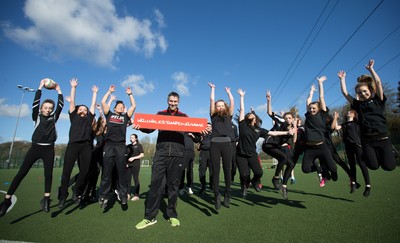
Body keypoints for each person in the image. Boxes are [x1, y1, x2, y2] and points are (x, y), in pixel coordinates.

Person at [134, 91, 203, 229]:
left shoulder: (184, 117)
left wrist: (202, 130)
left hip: (177, 155)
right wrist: (140, 127)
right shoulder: (160, 114)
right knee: (155, 185)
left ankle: (172, 215)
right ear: (167, 101)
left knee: (173, 187)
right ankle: (150, 217)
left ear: (178, 102)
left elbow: (196, 132)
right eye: (171, 101)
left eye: (175, 101)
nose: (173, 103)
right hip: (161, 153)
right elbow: (149, 127)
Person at [0, 79, 63, 217]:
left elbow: (60, 105)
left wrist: (59, 91)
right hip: (35, 148)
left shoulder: (54, 117)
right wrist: (40, 87)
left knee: (48, 174)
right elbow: (35, 102)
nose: (48, 109)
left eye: (50, 108)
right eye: (45, 107)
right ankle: (6, 201)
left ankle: (46, 199)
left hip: (49, 149)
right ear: (41, 108)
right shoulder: (37, 116)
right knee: (21, 173)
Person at [339, 59, 396, 196]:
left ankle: (392, 152)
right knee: (373, 166)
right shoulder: (358, 105)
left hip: (383, 138)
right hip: (367, 141)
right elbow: (345, 93)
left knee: (389, 167)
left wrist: (371, 70)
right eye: (360, 92)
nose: (363, 94)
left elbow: (378, 83)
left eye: (365, 91)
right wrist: (342, 79)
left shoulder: (378, 100)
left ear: (370, 90)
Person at [236, 89, 295, 199]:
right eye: (248, 115)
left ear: (255, 119)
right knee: (244, 174)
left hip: (252, 154)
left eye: (252, 115)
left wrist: (287, 132)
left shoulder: (259, 129)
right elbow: (242, 110)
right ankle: (244, 187)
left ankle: (254, 181)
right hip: (240, 154)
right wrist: (241, 97)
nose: (249, 115)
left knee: (259, 173)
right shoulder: (242, 125)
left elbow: (273, 132)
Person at [58, 79, 97, 208]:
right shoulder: (73, 116)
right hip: (73, 145)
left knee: (85, 171)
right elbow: (73, 101)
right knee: (66, 172)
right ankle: (63, 195)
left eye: (84, 109)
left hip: (85, 146)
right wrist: (73, 87)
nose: (82, 110)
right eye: (80, 109)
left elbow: (92, 105)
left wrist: (95, 93)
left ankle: (76, 189)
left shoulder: (89, 118)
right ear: (76, 110)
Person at [98, 85, 136, 208]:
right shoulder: (109, 115)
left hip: (120, 147)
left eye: (123, 107)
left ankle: (123, 195)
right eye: (119, 106)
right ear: (114, 108)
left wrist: (130, 95)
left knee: (121, 172)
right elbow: (103, 102)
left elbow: (133, 106)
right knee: (107, 173)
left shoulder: (125, 117)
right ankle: (103, 195)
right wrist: (109, 91)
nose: (121, 107)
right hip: (109, 146)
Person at [302, 77, 338, 183]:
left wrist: (320, 83)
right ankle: (320, 170)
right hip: (310, 148)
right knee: (305, 169)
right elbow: (307, 101)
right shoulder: (308, 116)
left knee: (333, 168)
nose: (312, 109)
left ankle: (333, 172)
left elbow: (321, 97)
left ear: (318, 109)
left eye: (314, 108)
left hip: (322, 147)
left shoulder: (322, 115)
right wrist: (311, 91)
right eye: (310, 108)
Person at [262, 91, 296, 195]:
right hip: (268, 144)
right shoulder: (281, 122)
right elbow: (270, 113)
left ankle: (284, 186)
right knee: (284, 158)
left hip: (276, 147)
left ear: (293, 119)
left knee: (291, 164)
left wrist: (295, 129)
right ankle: (275, 178)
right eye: (286, 118)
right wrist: (269, 101)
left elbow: (294, 141)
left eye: (289, 118)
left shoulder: (294, 129)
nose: (287, 119)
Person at [208, 82, 234, 210]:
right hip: (215, 144)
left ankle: (227, 194)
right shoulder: (213, 116)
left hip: (227, 144)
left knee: (227, 170)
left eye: (222, 106)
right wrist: (213, 89)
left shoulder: (229, 116)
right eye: (218, 106)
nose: (220, 107)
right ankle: (217, 195)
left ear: (225, 107)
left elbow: (232, 101)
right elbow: (212, 100)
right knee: (215, 170)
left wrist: (229, 93)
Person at [333, 110, 370, 195]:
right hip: (348, 146)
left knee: (361, 164)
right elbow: (336, 127)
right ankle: (353, 183)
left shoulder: (356, 122)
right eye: (348, 112)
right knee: (352, 165)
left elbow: (360, 112)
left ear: (354, 114)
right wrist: (335, 117)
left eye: (351, 112)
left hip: (357, 145)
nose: (348, 112)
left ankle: (368, 185)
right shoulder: (344, 124)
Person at [126, 133, 144, 201]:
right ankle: (128, 194)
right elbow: (126, 156)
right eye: (130, 137)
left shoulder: (139, 145)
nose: (131, 138)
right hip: (128, 165)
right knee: (128, 180)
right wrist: (126, 163)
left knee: (136, 179)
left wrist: (133, 158)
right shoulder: (128, 146)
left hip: (136, 165)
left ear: (136, 138)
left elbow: (142, 155)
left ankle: (136, 195)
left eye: (132, 137)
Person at [197, 122, 213, 194]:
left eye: (209, 126)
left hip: (212, 154)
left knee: (212, 171)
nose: (208, 127)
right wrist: (200, 139)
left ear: (212, 128)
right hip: (203, 153)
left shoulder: (214, 134)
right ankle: (203, 186)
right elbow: (198, 148)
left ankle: (212, 186)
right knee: (202, 171)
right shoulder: (202, 134)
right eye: (207, 126)